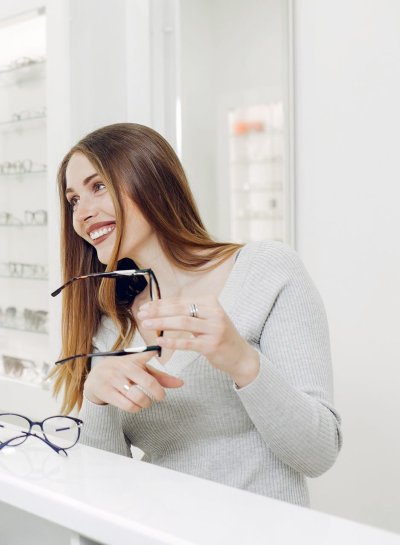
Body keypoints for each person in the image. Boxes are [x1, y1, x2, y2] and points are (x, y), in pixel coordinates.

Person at [52, 123, 341, 506]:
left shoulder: (265, 270)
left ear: (151, 180)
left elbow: (318, 454)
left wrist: (241, 360)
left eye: (98, 186)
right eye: (73, 201)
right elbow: (104, 493)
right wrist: (96, 400)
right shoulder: (111, 326)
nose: (82, 214)